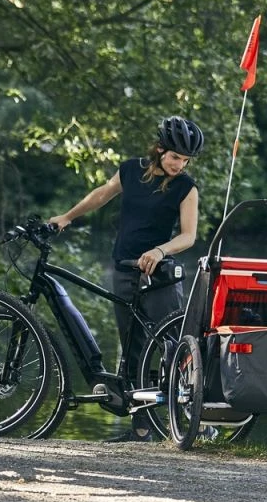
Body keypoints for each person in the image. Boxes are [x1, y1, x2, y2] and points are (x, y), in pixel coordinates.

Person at [49, 116, 204, 442]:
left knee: (170, 347)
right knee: (132, 347)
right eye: (175, 156)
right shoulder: (131, 170)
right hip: (125, 269)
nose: (180, 165)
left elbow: (188, 236)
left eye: (185, 160)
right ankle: (141, 429)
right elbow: (101, 194)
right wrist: (67, 217)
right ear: (160, 149)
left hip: (158, 275)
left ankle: (192, 419)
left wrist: (161, 251)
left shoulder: (186, 188)